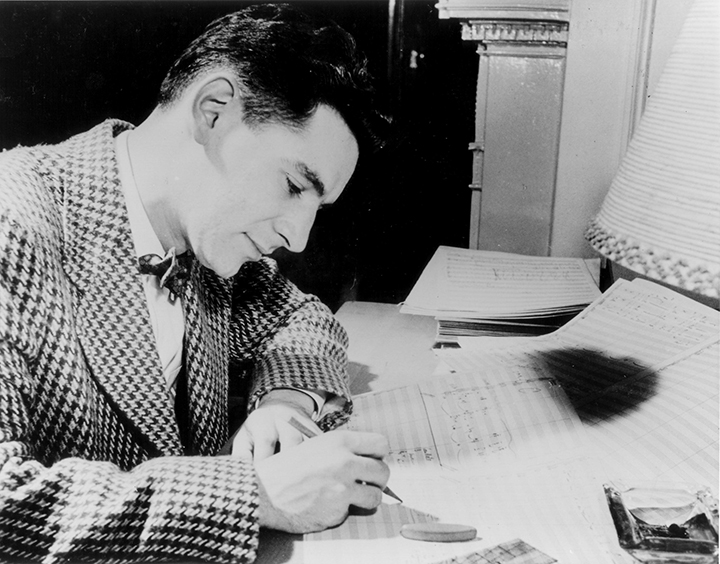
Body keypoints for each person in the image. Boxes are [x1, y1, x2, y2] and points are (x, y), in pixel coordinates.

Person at [0, 4, 391, 563]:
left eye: (316, 205)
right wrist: (253, 496)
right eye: (292, 185)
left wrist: (284, 403)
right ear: (214, 110)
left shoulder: (204, 242)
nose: (298, 237)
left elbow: (301, 318)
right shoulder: (13, 221)